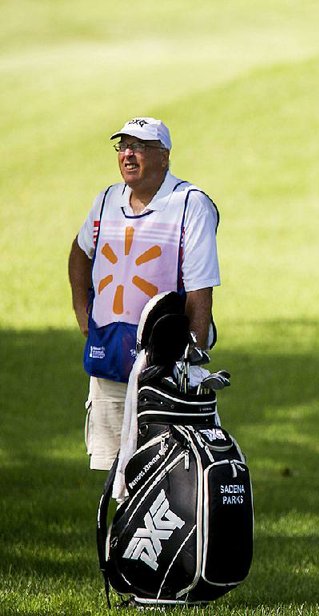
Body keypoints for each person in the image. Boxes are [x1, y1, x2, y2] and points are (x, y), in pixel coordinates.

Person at [68, 117, 221, 471]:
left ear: (163, 157)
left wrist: (192, 359)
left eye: (139, 147)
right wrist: (82, 311)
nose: (128, 155)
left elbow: (200, 289)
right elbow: (80, 251)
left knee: (164, 475)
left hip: (161, 370)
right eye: (123, 146)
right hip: (108, 362)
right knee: (112, 475)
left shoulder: (190, 204)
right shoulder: (106, 200)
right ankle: (118, 530)